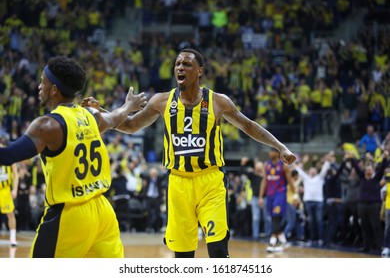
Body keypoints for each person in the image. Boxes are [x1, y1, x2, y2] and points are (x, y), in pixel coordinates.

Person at [83, 48, 296, 258]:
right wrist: (101, 112)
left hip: (210, 182)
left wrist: (280, 147)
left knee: (218, 251)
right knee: (183, 255)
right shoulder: (162, 101)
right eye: (177, 64)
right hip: (178, 183)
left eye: (186, 64)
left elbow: (249, 126)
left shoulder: (218, 101)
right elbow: (129, 126)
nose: (180, 67)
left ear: (200, 71)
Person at [0, 56, 147, 257]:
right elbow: (115, 117)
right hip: (103, 212)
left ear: (53, 89)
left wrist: (127, 107)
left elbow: (8, 155)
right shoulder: (90, 115)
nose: (38, 87)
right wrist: (129, 105)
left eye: (43, 81)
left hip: (70, 215)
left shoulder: (47, 126)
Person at [259, 148, 294, 252]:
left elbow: (290, 180)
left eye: (272, 151)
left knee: (276, 216)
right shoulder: (267, 165)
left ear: (277, 153)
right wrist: (261, 197)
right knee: (273, 217)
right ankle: (282, 240)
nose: (270, 153)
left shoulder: (283, 165)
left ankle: (273, 241)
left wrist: (295, 195)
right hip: (270, 195)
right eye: (269, 151)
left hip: (280, 194)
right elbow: (264, 181)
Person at [0, 140, 19, 247]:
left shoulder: (9, 157)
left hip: (5, 190)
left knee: (10, 214)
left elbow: (16, 174)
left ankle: (13, 238)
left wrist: (15, 189)